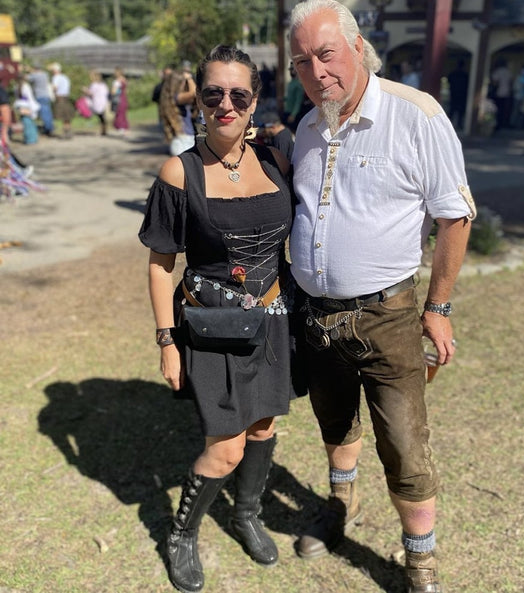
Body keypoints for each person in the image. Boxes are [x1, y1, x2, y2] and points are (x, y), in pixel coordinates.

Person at [287, 2, 477, 592]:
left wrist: (438, 309)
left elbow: (456, 216)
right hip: (317, 318)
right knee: (334, 424)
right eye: (301, 61)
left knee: (404, 445)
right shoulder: (308, 125)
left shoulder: (415, 115)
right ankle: (338, 509)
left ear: (356, 45)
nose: (316, 71)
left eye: (325, 54)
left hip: (388, 317)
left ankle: (419, 562)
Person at [138, 45, 294, 593]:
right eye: (213, 94)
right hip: (211, 328)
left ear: (255, 100)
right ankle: (182, 534)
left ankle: (246, 513)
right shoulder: (179, 172)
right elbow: (161, 265)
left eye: (239, 94)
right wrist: (166, 341)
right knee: (224, 447)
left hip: (272, 320)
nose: (225, 104)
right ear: (197, 100)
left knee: (265, 425)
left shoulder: (279, 157)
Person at [26, 62, 55, 136]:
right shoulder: (45, 74)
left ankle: (48, 129)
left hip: (40, 95)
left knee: (44, 113)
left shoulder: (35, 75)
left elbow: (27, 78)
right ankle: (50, 127)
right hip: (46, 95)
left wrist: (28, 70)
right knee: (48, 112)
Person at [49, 62, 74, 139]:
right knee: (67, 116)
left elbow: (55, 87)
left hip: (60, 97)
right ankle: (68, 131)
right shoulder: (65, 77)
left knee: (63, 115)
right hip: (66, 97)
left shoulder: (56, 77)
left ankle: (65, 132)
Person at [14, 73, 40, 144]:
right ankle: (31, 139)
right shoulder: (26, 86)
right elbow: (30, 97)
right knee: (29, 122)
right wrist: (33, 107)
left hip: (20, 105)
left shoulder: (16, 86)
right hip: (27, 105)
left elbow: (17, 97)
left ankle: (28, 138)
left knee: (25, 122)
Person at [82, 70, 109, 136]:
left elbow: (90, 93)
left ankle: (101, 128)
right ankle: (104, 129)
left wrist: (85, 90)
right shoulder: (103, 85)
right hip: (103, 102)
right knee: (101, 116)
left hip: (96, 102)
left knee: (99, 115)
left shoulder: (93, 85)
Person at [283, 62, 307, 132]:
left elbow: (298, 101)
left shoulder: (298, 84)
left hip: (293, 113)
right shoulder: (291, 83)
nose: (291, 72)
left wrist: (293, 115)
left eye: (292, 70)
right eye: (290, 70)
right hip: (287, 110)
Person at [490, 58, 512, 131]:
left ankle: (496, 125)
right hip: (506, 94)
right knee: (503, 110)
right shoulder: (508, 72)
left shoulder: (497, 71)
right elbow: (510, 82)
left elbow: (495, 82)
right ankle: (502, 124)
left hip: (498, 93)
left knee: (496, 110)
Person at [447, 59, 469, 130]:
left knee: (452, 110)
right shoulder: (465, 75)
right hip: (462, 95)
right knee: (460, 112)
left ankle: (448, 125)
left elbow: (449, 81)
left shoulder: (453, 74)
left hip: (454, 94)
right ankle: (459, 125)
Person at [111, 67, 129, 134]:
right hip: (124, 98)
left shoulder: (117, 81)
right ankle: (125, 127)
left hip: (118, 98)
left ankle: (120, 127)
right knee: (123, 113)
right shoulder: (124, 80)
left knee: (119, 113)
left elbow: (113, 91)